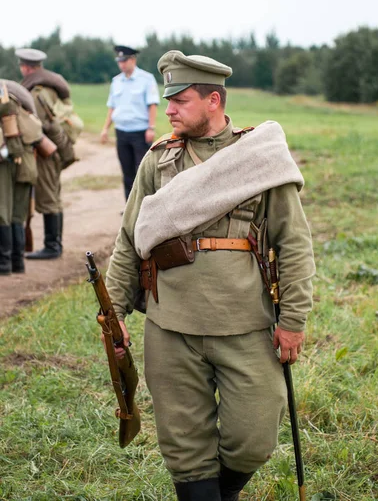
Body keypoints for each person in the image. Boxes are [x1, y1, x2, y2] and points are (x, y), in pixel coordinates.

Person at [105, 50, 316, 501]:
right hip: (170, 324)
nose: (169, 109)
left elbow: (294, 243)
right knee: (184, 445)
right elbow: (129, 239)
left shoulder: (261, 159)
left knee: (254, 437)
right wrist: (116, 309)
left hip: (245, 323)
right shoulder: (158, 161)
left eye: (180, 99)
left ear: (213, 100)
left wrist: (293, 320)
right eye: (168, 100)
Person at [16, 48, 82, 260]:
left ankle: (52, 246)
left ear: (26, 67)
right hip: (55, 149)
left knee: (48, 197)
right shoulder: (49, 89)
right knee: (53, 194)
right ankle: (54, 244)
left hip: (46, 151)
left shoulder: (36, 94)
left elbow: (35, 125)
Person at [100, 45, 160, 200]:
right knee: (127, 172)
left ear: (133, 60)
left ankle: (145, 205)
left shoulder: (146, 79)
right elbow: (112, 108)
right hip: (121, 131)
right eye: (119, 61)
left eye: (124, 60)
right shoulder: (116, 81)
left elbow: (152, 105)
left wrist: (151, 128)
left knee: (143, 171)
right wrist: (105, 128)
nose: (122, 64)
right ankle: (129, 206)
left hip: (140, 132)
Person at [0, 80, 43, 275]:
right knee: (18, 213)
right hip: (25, 159)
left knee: (3, 212)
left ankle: (4, 264)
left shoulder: (6, 99)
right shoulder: (19, 98)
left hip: (6, 160)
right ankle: (17, 263)